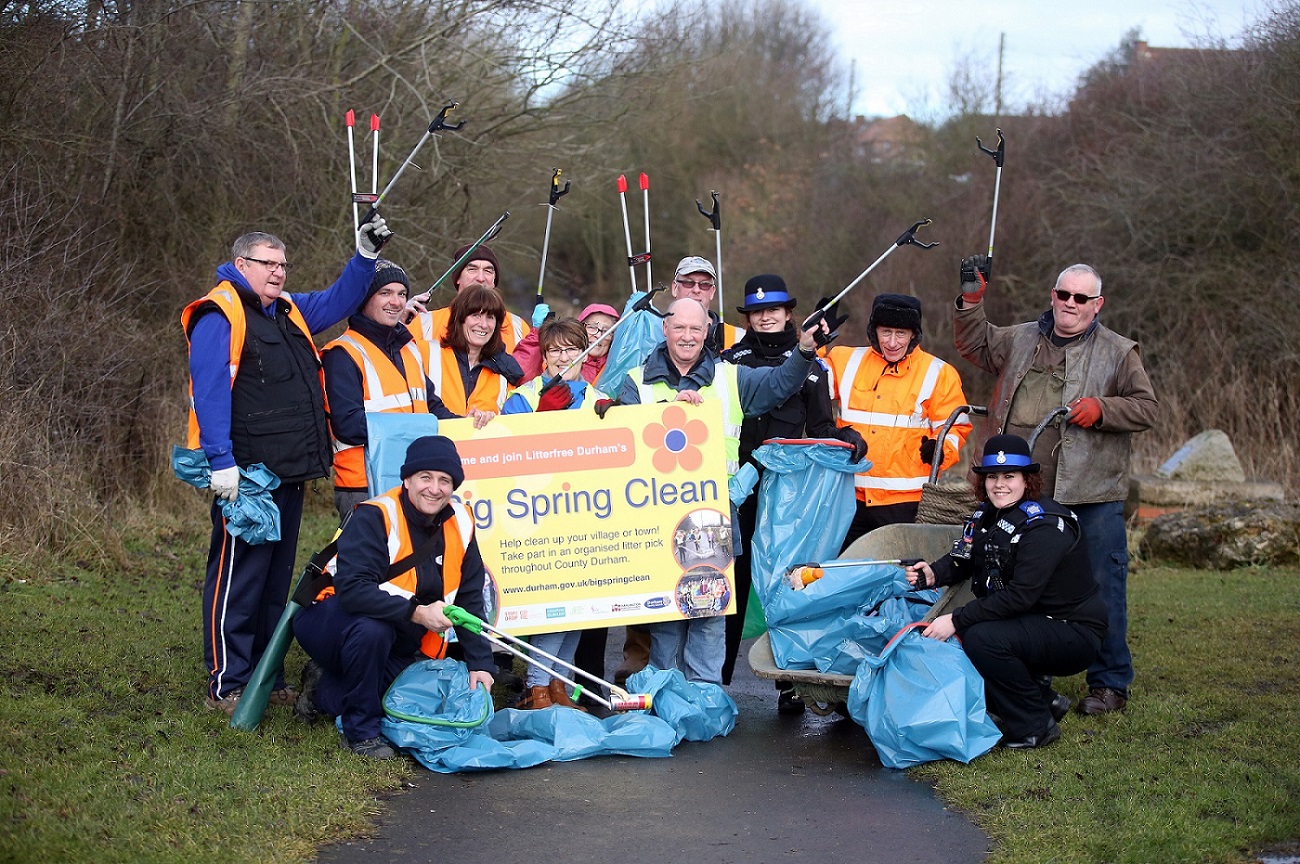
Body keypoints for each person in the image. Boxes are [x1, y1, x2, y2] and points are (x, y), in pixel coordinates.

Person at [180, 212, 392, 715]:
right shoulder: (220, 315)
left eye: (283, 264)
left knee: (277, 582)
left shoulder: (289, 311)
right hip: (246, 476)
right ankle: (226, 683)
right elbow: (208, 390)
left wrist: (364, 258)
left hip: (290, 470)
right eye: (267, 263)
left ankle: (264, 678)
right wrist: (221, 461)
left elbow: (339, 300)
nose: (278, 272)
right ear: (239, 264)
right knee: (239, 578)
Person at [953, 259, 1157, 716]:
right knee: (1025, 584)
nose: (1070, 304)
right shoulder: (1021, 338)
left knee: (1103, 586)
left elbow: (1147, 409)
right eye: (1063, 295)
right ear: (1053, 295)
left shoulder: (1119, 352)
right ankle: (1034, 677)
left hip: (1091, 495)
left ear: (1097, 304)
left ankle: (1109, 684)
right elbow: (974, 343)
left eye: (1081, 298)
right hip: (1027, 498)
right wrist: (970, 301)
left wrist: (1103, 409)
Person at [603, 298, 826, 684]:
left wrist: (804, 349)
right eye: (680, 328)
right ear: (665, 330)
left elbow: (779, 384)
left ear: (707, 332)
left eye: (696, 329)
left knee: (709, 615)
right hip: (658, 521)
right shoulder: (636, 381)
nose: (687, 336)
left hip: (715, 518)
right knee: (667, 617)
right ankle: (663, 691)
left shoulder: (731, 378)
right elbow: (624, 445)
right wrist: (669, 412)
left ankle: (704, 695)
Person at [292, 436, 495, 759]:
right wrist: (418, 613)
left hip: (399, 631)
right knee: (373, 630)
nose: (435, 488)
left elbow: (470, 599)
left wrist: (481, 664)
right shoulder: (376, 515)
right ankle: (361, 733)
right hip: (331, 619)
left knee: (399, 692)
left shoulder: (462, 521)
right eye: (425, 477)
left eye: (445, 481)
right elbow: (353, 591)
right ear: (407, 479)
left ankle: (321, 691)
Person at [718, 275, 867, 710]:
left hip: (787, 492)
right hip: (738, 487)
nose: (766, 317)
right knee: (733, 580)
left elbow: (820, 427)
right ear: (748, 316)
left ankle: (791, 682)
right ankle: (717, 680)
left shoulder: (813, 365)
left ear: (788, 313)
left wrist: (846, 435)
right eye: (757, 311)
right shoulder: (729, 362)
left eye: (774, 310)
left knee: (787, 582)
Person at [906, 434, 1108, 750]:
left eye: (1009, 476)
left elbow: (1019, 597)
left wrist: (956, 620)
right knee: (979, 636)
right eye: (992, 477)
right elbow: (963, 557)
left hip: (1073, 630)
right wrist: (932, 572)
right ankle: (1044, 700)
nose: (999, 484)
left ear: (1027, 480)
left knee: (982, 638)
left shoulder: (1044, 526)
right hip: (1033, 621)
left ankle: (1034, 727)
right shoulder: (985, 515)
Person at [500, 318, 601, 709]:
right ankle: (538, 686)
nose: (563, 357)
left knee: (579, 605)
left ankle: (559, 685)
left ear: (585, 352)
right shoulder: (523, 398)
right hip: (540, 516)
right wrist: (542, 417)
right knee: (554, 604)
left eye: (570, 349)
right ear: (543, 357)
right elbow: (509, 456)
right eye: (554, 351)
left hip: (585, 516)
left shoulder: (597, 399)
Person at [824, 293, 971, 552]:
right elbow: (804, 384)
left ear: (914, 335)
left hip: (905, 504)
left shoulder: (939, 373)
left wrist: (940, 448)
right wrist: (814, 344)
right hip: (847, 498)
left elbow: (955, 427)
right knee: (843, 575)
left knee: (897, 579)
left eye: (901, 334)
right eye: (886, 332)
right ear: (873, 331)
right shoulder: (843, 360)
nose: (892, 342)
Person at [322, 258, 459, 522]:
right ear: (363, 298)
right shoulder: (342, 353)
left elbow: (432, 407)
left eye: (402, 294)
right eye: (385, 293)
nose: (396, 302)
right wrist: (420, 427)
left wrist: (470, 426)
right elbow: (348, 426)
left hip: (414, 482)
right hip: (364, 487)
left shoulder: (409, 348)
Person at [422, 283, 524, 422]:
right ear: (460, 318)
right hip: (432, 441)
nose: (483, 324)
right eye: (476, 315)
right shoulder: (425, 354)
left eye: (490, 317)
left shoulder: (506, 372)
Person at [408, 243, 531, 356]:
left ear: (495, 281)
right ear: (458, 278)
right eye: (472, 269)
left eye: (488, 271)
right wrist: (398, 323)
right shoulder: (423, 322)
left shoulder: (518, 327)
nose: (481, 278)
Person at [514, 302, 622, 385]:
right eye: (592, 327)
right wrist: (537, 334)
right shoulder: (555, 358)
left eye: (607, 331)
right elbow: (520, 375)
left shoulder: (618, 368)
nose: (599, 335)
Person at [671, 256, 744, 352]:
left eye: (704, 284)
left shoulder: (738, 337)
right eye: (688, 283)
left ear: (712, 291)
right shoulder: (655, 333)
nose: (696, 290)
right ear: (674, 288)